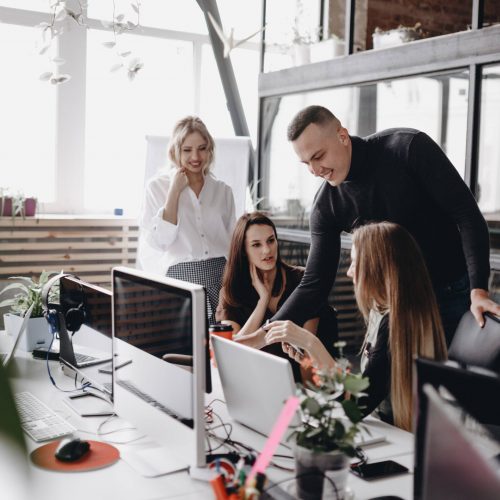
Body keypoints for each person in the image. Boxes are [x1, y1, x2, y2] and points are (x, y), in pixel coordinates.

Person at [269, 104, 500, 345]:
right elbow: (315, 283)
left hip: (452, 291)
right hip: (391, 307)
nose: (315, 171)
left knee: (451, 381)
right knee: (392, 382)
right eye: (305, 163)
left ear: (342, 136)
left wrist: (479, 291)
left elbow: (467, 215)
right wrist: (263, 334)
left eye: (318, 156)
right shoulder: (326, 205)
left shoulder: (408, 148)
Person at [264, 222, 448, 431]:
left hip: (398, 438)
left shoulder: (396, 324)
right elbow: (364, 387)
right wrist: (314, 361)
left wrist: (311, 343)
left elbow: (357, 405)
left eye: (355, 263)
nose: (350, 272)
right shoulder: (382, 311)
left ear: (377, 268)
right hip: (383, 426)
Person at [216, 212, 337, 381]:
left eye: (271, 240)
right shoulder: (230, 292)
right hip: (254, 384)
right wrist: (262, 302)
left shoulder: (303, 282)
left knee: (289, 407)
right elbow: (233, 351)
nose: (267, 250)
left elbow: (308, 370)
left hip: (298, 389)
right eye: (256, 244)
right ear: (243, 250)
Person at [140, 116, 235, 322]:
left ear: (210, 150)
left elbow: (231, 246)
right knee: (182, 348)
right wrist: (174, 191)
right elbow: (160, 242)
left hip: (220, 281)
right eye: (187, 150)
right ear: (175, 151)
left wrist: (228, 288)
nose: (196, 156)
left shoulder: (223, 191)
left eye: (202, 148)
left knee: (217, 347)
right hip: (179, 282)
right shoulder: (157, 187)